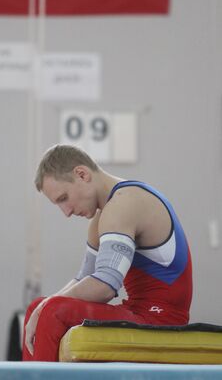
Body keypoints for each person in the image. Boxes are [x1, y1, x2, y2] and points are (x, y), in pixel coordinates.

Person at [23, 144, 193, 362]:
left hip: (161, 318)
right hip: (136, 310)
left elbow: (104, 286)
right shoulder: (103, 218)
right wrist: (43, 306)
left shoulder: (125, 203)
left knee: (52, 310)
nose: (66, 212)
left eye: (63, 198)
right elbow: (84, 278)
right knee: (38, 306)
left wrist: (48, 307)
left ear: (82, 174)